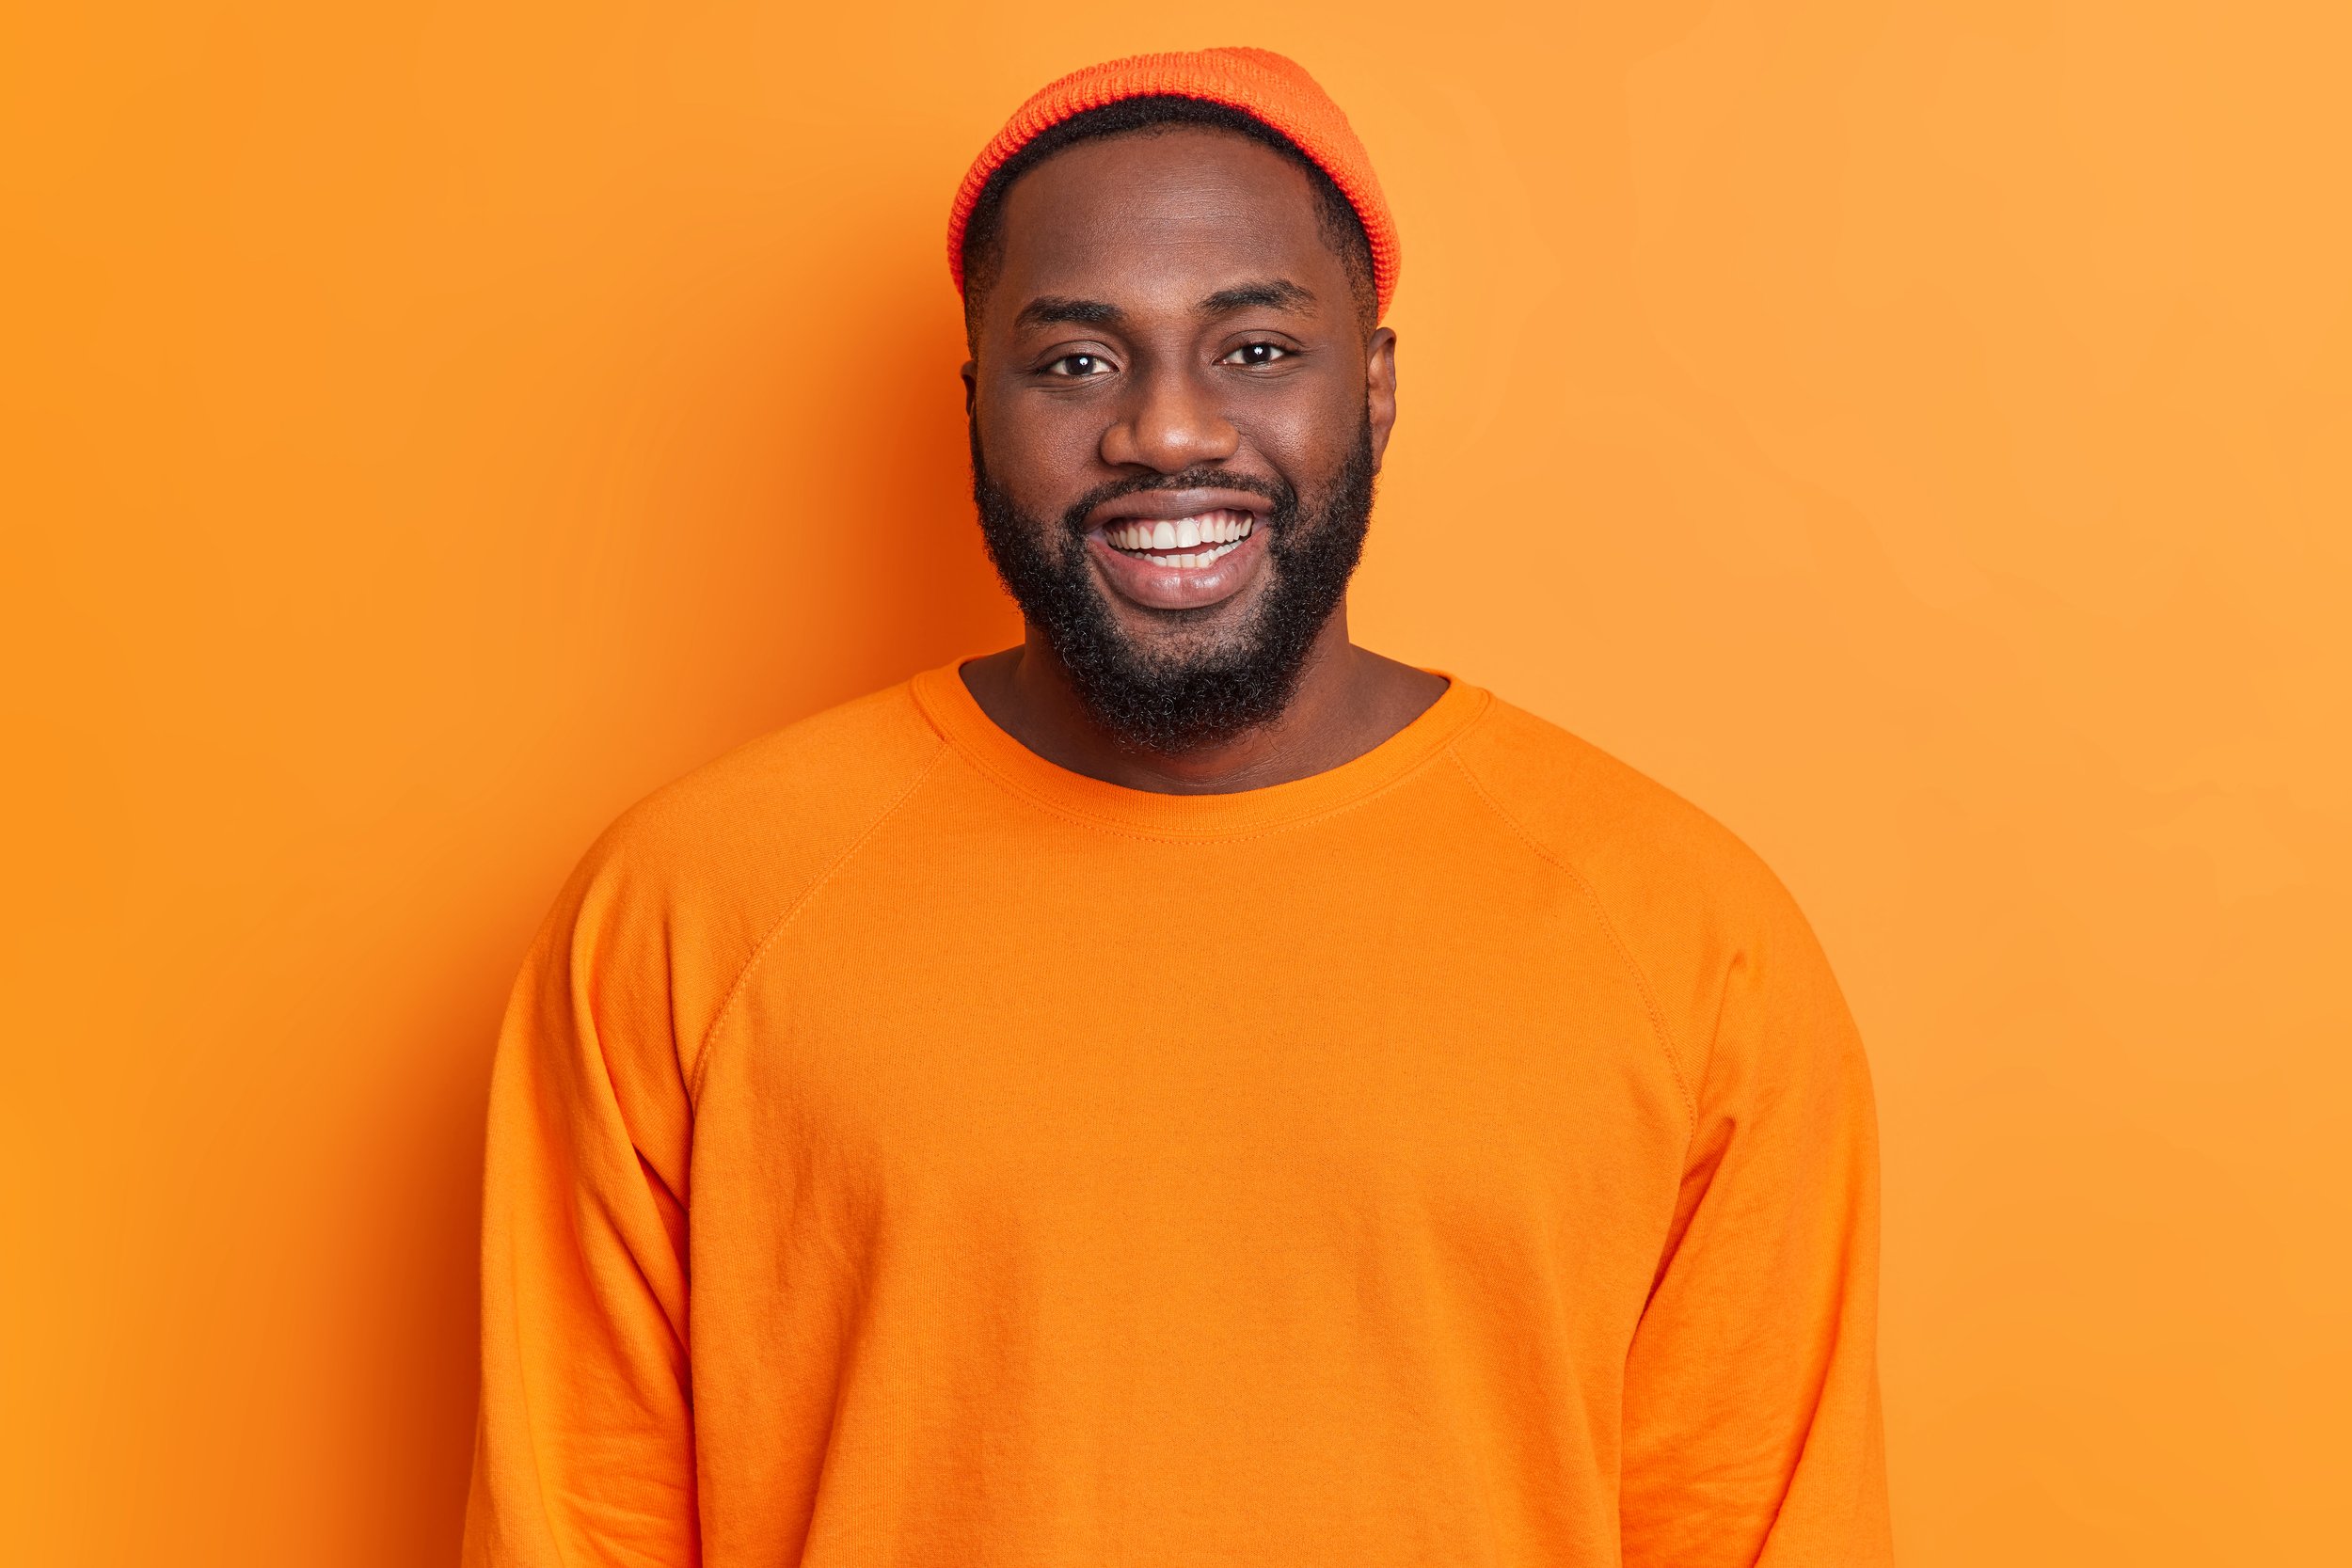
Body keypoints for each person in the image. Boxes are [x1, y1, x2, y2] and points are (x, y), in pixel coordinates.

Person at [460, 46, 1892, 1568]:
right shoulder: (694, 906)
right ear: (975, 407)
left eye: (1256, 349)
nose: (1168, 432)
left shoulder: (1686, 937)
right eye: (1076, 361)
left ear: (1378, 385)